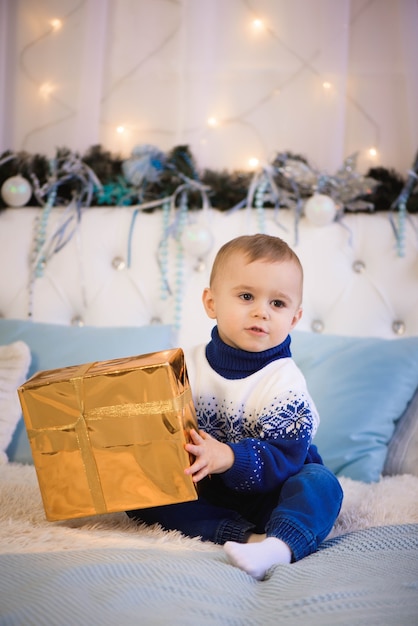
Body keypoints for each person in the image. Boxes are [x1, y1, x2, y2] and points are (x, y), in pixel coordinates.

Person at [127, 233, 343, 580]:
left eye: (278, 304)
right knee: (144, 492)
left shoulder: (283, 381)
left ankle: (281, 545)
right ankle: (249, 538)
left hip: (275, 490)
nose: (261, 311)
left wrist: (228, 457)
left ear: (295, 318)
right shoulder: (187, 365)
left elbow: (285, 457)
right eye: (246, 296)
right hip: (208, 488)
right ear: (211, 303)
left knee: (321, 484)